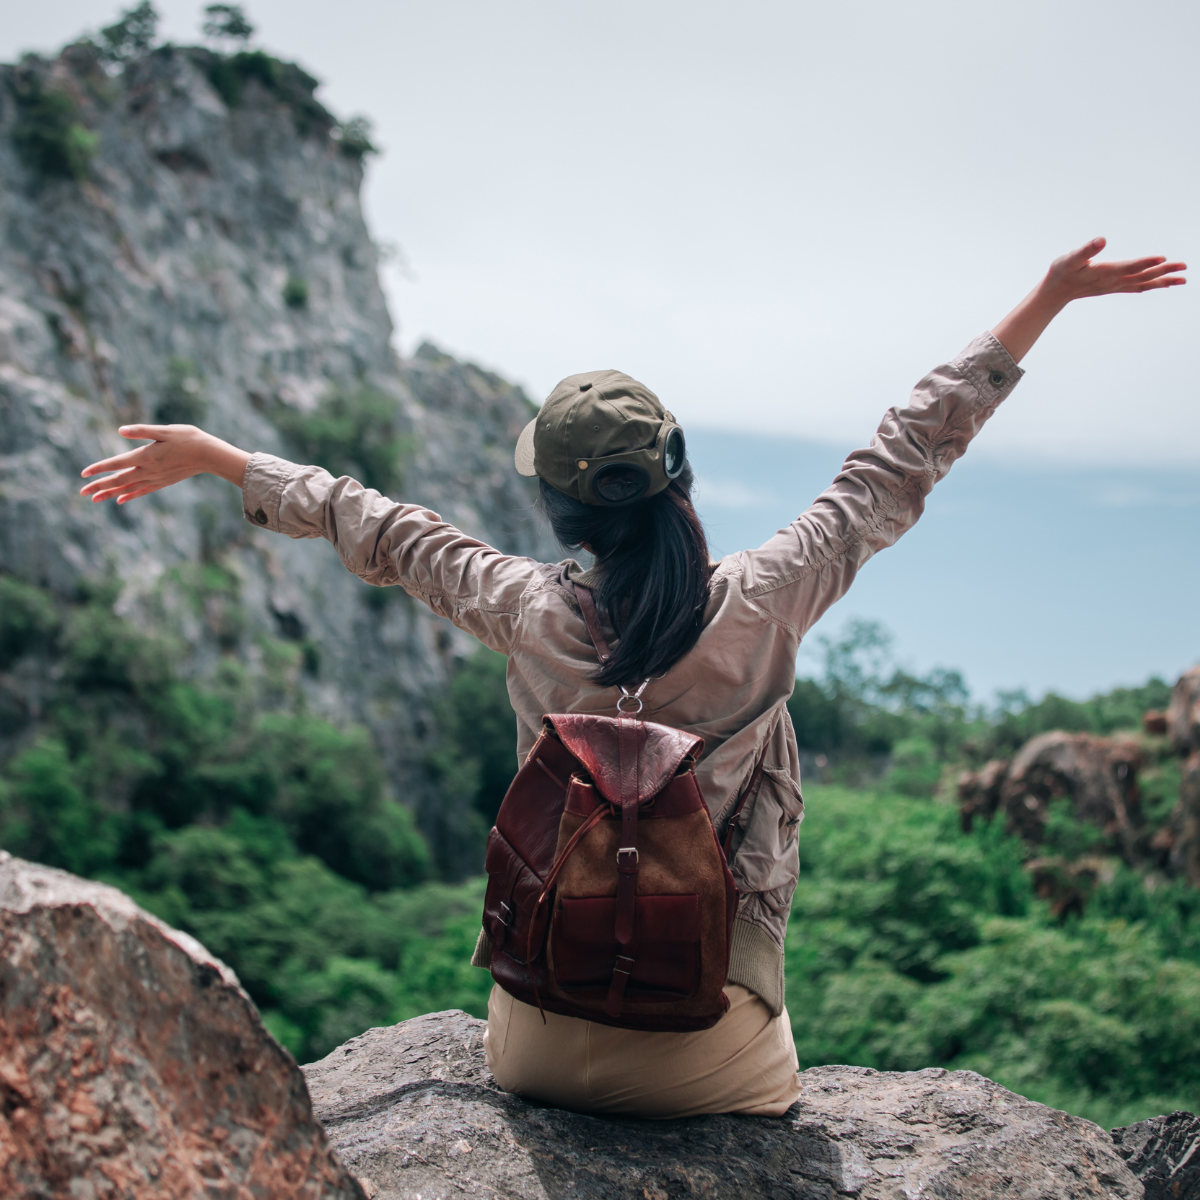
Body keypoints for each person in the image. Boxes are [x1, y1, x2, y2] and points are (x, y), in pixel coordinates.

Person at [80, 238, 1185, 1118]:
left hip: (536, 1046)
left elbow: (381, 527)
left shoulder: (521, 608)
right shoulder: (770, 596)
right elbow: (899, 458)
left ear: (559, 509)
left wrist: (224, 458)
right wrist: (1044, 298)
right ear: (680, 477)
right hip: (715, 1056)